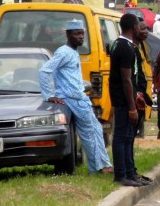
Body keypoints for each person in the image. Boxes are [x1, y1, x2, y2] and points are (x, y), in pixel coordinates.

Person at [38, 19, 113, 176]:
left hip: (80, 98)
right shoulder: (64, 52)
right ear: (68, 34)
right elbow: (44, 71)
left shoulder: (72, 52)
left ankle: (103, 164)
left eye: (82, 34)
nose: (80, 37)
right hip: (73, 100)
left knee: (96, 129)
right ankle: (98, 168)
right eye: (76, 34)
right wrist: (49, 95)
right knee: (89, 134)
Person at [110, 13, 143, 187]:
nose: (140, 28)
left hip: (126, 98)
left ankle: (131, 172)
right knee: (121, 136)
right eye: (138, 25)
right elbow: (126, 79)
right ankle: (121, 174)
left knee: (129, 136)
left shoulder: (120, 44)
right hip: (123, 100)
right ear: (133, 27)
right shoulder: (125, 48)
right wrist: (132, 107)